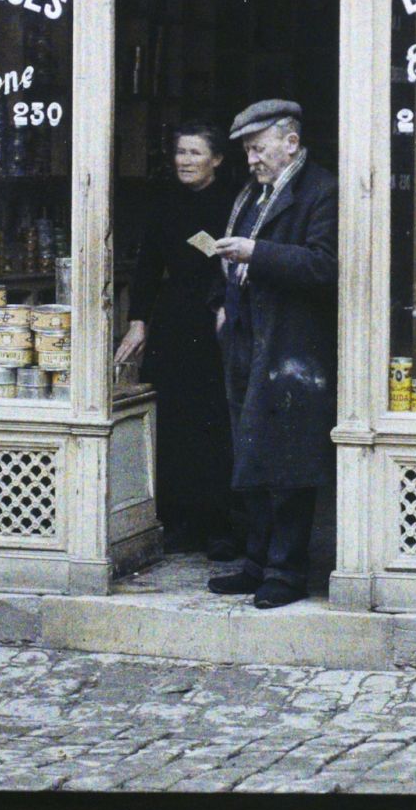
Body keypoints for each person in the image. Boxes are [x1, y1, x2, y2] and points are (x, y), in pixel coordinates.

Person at [207, 99, 338, 610]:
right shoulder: (252, 194)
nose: (252, 160)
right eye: (246, 151)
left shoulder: (321, 190)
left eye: (258, 149)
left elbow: (326, 265)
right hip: (247, 340)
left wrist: (255, 254)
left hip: (292, 350)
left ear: (291, 142)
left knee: (287, 459)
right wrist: (221, 303)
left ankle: (287, 571)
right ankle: (257, 563)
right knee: (252, 454)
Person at [114, 121, 241, 558]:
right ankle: (176, 519)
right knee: (171, 419)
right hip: (173, 321)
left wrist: (227, 308)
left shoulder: (234, 203)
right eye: (180, 153)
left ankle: (220, 524)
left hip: (217, 320)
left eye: (195, 153)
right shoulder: (164, 204)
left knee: (214, 422)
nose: (184, 161)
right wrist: (137, 321)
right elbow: (148, 265)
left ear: (218, 160)